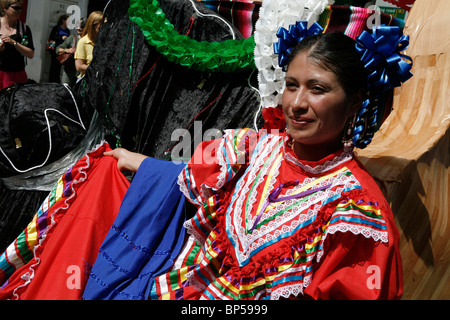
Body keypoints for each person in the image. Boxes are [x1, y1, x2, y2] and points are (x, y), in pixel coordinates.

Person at [0, 21, 412, 300]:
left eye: (318, 89)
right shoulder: (254, 149)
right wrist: (131, 162)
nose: (297, 104)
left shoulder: (357, 213)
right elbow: (186, 178)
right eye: (291, 85)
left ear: (355, 102)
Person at [0, 0, 34, 90]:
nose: (19, 11)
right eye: (16, 8)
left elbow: (30, 54)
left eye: (20, 8)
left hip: (17, 75)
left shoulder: (24, 29)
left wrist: (14, 43)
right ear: (5, 8)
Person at [56, 18, 86, 87]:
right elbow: (58, 49)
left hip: (81, 73)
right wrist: (67, 50)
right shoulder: (72, 38)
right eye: (77, 26)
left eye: (81, 26)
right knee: (65, 90)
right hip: (69, 71)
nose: (79, 28)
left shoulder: (89, 41)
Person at [74, 11, 103, 80]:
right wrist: (96, 70)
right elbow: (79, 66)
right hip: (87, 82)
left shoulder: (104, 41)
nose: (103, 27)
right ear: (93, 25)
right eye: (101, 25)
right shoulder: (83, 42)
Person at [47, 14, 70, 83]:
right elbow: (52, 37)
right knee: (53, 66)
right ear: (63, 20)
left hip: (62, 51)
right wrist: (61, 38)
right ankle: (51, 81)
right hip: (55, 49)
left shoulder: (67, 30)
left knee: (59, 67)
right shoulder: (56, 28)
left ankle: (57, 82)